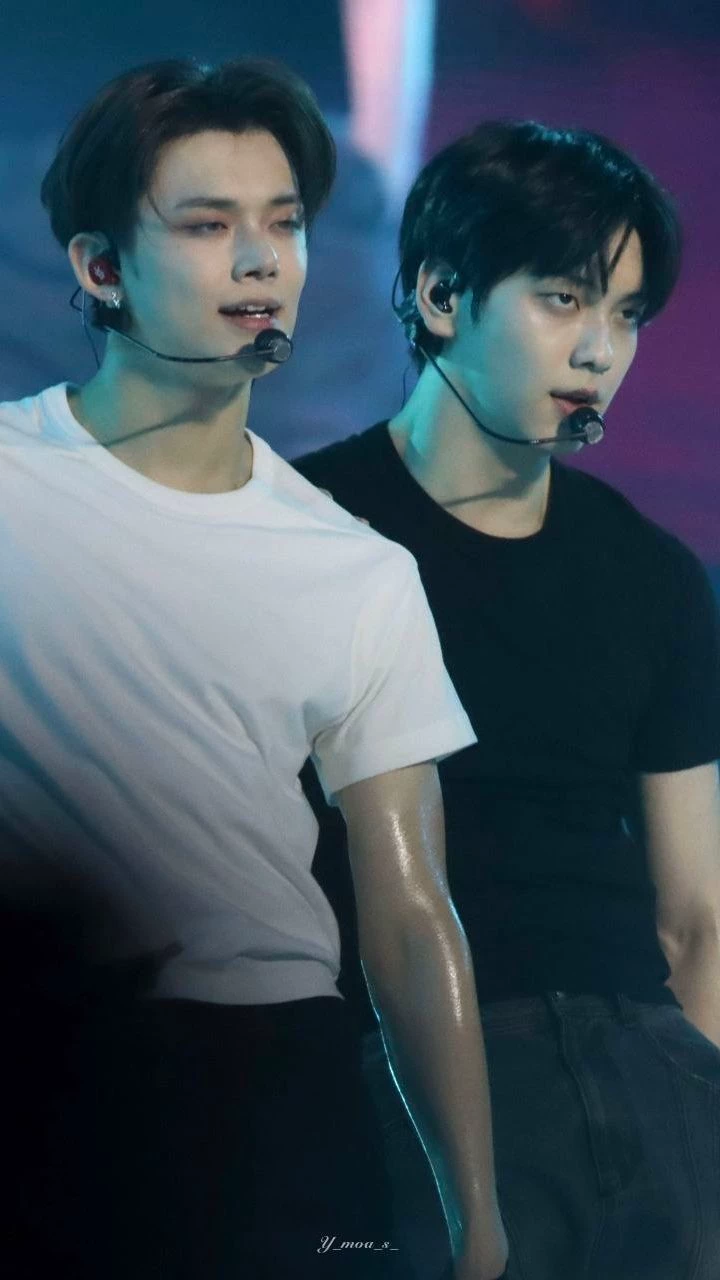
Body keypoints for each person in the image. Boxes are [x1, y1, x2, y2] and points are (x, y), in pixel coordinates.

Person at [0, 61, 509, 1280]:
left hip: (276, 1074)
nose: (260, 261)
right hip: (48, 1053)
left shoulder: (358, 568)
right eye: (207, 224)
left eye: (283, 223)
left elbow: (409, 911)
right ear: (100, 265)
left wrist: (478, 1216)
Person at [294, 120, 720, 1280]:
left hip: (647, 1064)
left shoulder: (656, 575)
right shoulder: (303, 531)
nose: (600, 349)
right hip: (402, 1073)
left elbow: (697, 914)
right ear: (441, 294)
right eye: (563, 298)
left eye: (627, 313)